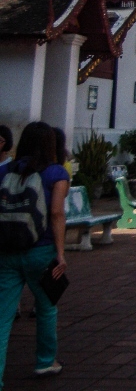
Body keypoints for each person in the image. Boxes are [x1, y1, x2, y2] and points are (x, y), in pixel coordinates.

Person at [0, 121, 69, 383]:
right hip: (41, 249)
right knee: (47, 306)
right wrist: (60, 253)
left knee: (2, 316)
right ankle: (44, 361)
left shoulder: (5, 170)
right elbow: (56, 214)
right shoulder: (56, 174)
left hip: (6, 250)